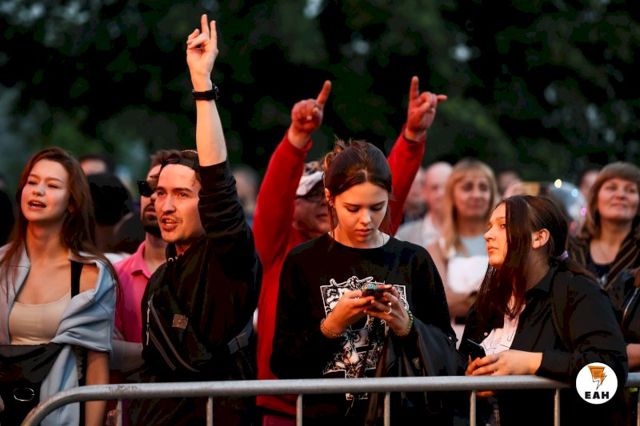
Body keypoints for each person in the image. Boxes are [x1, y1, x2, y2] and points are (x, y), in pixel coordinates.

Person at [254, 76, 447, 424]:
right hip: (291, 410)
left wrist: (412, 137)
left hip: (387, 413)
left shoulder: (387, 241)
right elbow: (274, 197)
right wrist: (296, 139)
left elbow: (385, 187)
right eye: (311, 194)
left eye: (373, 208)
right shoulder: (285, 252)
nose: (364, 218)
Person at [128, 15, 261, 426]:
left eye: (182, 194)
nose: (165, 206)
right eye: (160, 193)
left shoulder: (229, 259)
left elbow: (218, 181)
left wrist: (202, 85)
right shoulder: (160, 280)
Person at [462, 195, 628, 426]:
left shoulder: (578, 291)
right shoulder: (489, 301)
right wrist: (469, 378)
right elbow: (461, 365)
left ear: (539, 237)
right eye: (489, 226)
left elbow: (608, 371)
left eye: (503, 226)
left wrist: (532, 363)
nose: (487, 235)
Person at [0, 147, 116, 426]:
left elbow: (96, 365)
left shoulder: (91, 274)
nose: (38, 191)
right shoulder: (1, 264)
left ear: (72, 203)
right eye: (32, 182)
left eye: (52, 185)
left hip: (61, 414)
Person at [110, 150, 174, 389]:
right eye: (148, 188)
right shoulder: (113, 275)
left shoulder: (201, 274)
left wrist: (133, 353)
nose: (153, 197)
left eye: (164, 190)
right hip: (128, 406)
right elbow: (105, 351)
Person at [568, 162, 640, 368]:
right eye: (611, 187)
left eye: (630, 190)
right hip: (572, 364)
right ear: (595, 199)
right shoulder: (569, 249)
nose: (621, 195)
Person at [427, 158, 497, 341]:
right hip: (452, 341)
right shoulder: (437, 248)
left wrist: (462, 299)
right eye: (467, 188)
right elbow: (439, 303)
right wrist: (485, 297)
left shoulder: (508, 245)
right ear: (452, 195)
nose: (476, 195)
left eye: (484, 188)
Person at [395, 161, 452, 247]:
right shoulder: (403, 236)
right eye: (434, 188)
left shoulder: (472, 232)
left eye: (447, 187)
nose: (441, 193)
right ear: (424, 192)